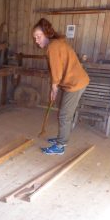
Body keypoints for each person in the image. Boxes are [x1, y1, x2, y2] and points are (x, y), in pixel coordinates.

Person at [32, 18, 89, 155]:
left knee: (64, 115)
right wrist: (55, 87)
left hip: (75, 84)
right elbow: (56, 70)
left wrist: (54, 88)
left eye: (38, 36)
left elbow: (56, 71)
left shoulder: (53, 46)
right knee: (65, 113)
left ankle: (60, 146)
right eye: (35, 38)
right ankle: (61, 139)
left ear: (46, 34)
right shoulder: (55, 44)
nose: (36, 40)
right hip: (74, 82)